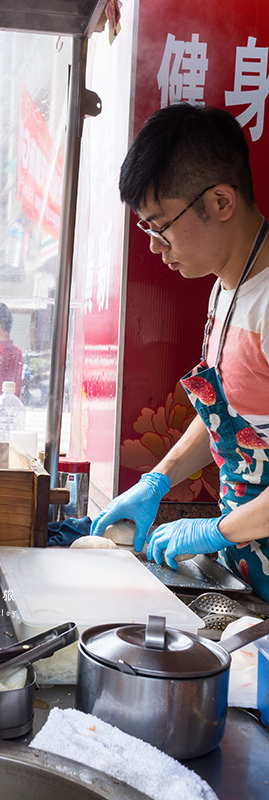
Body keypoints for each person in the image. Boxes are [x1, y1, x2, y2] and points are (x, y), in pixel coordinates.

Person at [90, 102, 269, 601]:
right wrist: (157, 480)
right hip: (251, 562)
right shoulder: (226, 288)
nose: (153, 245)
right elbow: (228, 413)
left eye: (159, 224)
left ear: (220, 202)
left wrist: (215, 531)